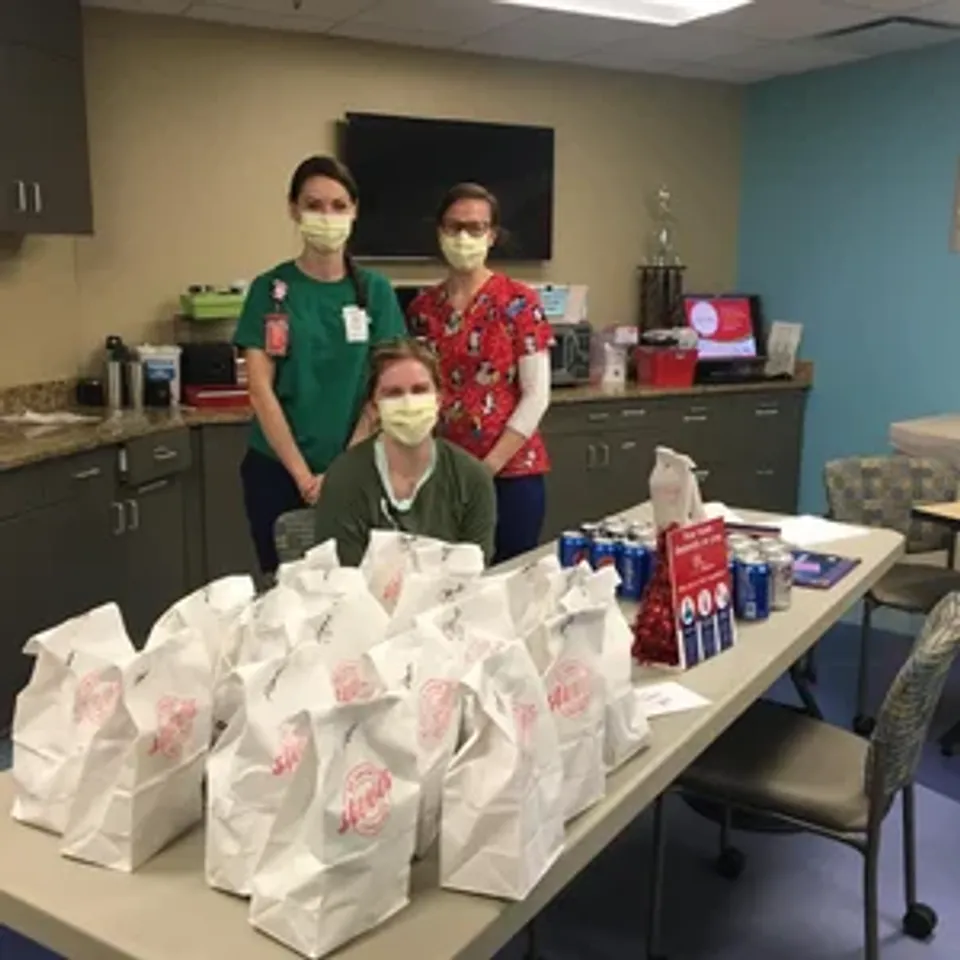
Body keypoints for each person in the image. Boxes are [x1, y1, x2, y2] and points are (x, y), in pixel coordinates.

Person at [233, 155, 407, 575]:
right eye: (314, 205)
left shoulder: (375, 293)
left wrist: (340, 472)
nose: (326, 216)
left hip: (358, 467)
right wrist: (303, 477)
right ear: (293, 209)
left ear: (354, 211)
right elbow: (260, 389)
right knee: (287, 594)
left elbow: (387, 387)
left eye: (338, 205)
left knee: (355, 589)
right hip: (278, 470)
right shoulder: (271, 291)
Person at [407, 183, 552, 564]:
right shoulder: (424, 309)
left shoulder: (519, 302)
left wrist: (486, 468)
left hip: (510, 474)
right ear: (439, 232)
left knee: (508, 582)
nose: (464, 237)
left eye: (476, 228)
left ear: (492, 235)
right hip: (442, 477)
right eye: (454, 227)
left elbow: (536, 395)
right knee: (444, 582)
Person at [314, 338, 496, 566]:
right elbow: (343, 580)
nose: (409, 402)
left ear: (439, 399)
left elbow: (474, 575)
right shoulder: (345, 478)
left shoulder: (471, 478)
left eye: (420, 390)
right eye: (393, 393)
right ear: (374, 407)